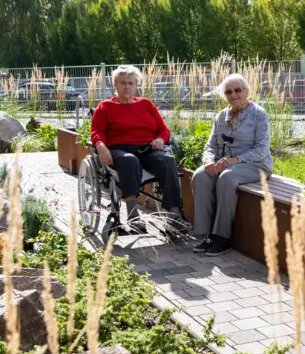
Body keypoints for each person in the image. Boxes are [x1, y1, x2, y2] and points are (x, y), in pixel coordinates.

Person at [90, 65, 185, 232]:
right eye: (122, 83)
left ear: (136, 85)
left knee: (168, 161)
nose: (127, 86)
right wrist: (100, 146)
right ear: (115, 85)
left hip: (146, 149)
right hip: (119, 150)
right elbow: (96, 131)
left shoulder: (146, 105)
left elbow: (164, 130)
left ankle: (173, 213)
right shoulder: (105, 107)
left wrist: (160, 139)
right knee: (129, 160)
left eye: (131, 83)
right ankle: (133, 215)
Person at [191, 73, 273, 255]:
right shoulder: (221, 117)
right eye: (229, 92)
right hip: (226, 164)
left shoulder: (258, 114)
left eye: (238, 90)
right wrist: (208, 161)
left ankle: (222, 236)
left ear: (246, 91)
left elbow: (262, 149)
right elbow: (210, 146)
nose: (234, 94)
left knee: (227, 178)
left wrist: (234, 160)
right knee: (200, 176)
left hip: (256, 164)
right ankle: (206, 234)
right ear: (224, 95)